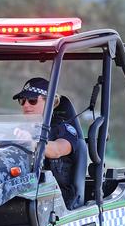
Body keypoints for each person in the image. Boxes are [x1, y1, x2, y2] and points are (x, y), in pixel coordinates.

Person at [13, 77, 79, 207]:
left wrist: (33, 143)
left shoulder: (64, 129)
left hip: (55, 199)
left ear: (50, 102)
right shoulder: (17, 130)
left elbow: (57, 150)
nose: (26, 105)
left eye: (32, 100)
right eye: (22, 100)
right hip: (21, 192)